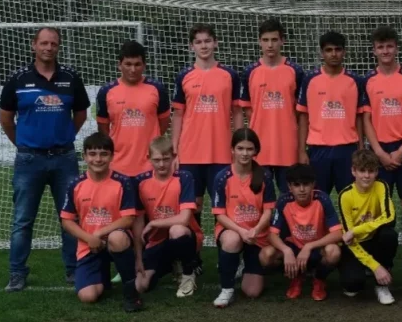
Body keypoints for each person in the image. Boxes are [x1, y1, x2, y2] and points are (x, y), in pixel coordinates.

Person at [0, 27, 90, 292]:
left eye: (53, 44)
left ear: (58, 47)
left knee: (70, 217)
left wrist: (64, 137)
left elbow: (81, 114)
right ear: (34, 45)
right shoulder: (18, 79)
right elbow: (6, 118)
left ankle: (74, 270)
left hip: (64, 159)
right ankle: (17, 273)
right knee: (23, 219)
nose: (48, 48)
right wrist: (24, 144)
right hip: (30, 160)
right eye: (44, 43)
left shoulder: (71, 77)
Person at [172, 24, 242, 273]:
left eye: (207, 41)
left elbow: (237, 112)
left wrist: (238, 146)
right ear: (191, 46)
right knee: (193, 208)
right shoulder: (184, 76)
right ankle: (193, 259)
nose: (203, 46)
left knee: (225, 208)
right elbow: (178, 115)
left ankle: (230, 258)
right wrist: (175, 150)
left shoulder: (229, 75)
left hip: (221, 154)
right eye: (198, 42)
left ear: (215, 43)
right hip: (191, 154)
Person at [361, 25, 402, 272]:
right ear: (374, 50)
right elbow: (366, 120)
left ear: (396, 48)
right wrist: (378, 152)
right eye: (380, 47)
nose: (385, 51)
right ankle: (379, 258)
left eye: (389, 46)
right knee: (379, 206)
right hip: (379, 151)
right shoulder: (368, 80)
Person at [59, 133, 142, 312]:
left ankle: (131, 294)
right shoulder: (75, 184)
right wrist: (89, 238)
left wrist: (99, 233)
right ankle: (102, 275)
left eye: (104, 154)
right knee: (88, 296)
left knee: (117, 238)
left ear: (112, 156)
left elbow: (128, 218)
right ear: (84, 156)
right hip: (89, 245)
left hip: (115, 240)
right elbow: (66, 220)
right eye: (93, 154)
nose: (98, 159)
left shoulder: (123, 182)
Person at [211, 128, 276, 307]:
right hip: (232, 230)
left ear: (256, 151)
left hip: (256, 235)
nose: (245, 153)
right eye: (240, 148)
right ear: (232, 150)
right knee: (232, 240)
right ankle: (227, 289)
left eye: (249, 149)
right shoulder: (222, 177)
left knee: (252, 291)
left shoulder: (265, 176)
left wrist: (255, 230)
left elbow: (268, 211)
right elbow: (219, 214)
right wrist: (241, 231)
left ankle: (246, 263)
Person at [239, 19, 305, 194]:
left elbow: (300, 111)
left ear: (283, 41)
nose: (270, 45)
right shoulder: (249, 72)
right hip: (259, 148)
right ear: (259, 41)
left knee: (289, 197)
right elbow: (247, 109)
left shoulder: (295, 71)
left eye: (274, 40)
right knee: (259, 197)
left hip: (287, 147)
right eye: (266, 40)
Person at [132, 137, 203, 298]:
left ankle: (187, 273)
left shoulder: (184, 177)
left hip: (184, 235)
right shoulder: (141, 182)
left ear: (173, 156)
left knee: (176, 230)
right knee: (140, 286)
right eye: (157, 160)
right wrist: (138, 258)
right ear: (149, 158)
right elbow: (138, 222)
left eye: (166, 159)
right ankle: (170, 265)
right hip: (156, 241)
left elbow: (184, 219)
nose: (162, 164)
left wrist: (154, 223)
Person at [261, 163, 342, 301]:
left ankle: (319, 279)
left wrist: (309, 246)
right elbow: (271, 234)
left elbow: (338, 233)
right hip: (294, 248)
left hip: (316, 249)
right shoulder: (284, 201)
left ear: (313, 184)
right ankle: (295, 276)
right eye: (297, 185)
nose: (302, 189)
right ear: (289, 186)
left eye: (306, 184)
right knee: (265, 255)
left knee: (333, 252)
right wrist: (286, 250)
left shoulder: (322, 199)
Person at [296, 31, 363, 195]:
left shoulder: (355, 80)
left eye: (338, 49)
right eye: (328, 50)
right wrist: (302, 151)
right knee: (317, 199)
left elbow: (359, 117)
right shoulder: (309, 80)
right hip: (318, 150)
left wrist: (361, 148)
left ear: (344, 52)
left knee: (350, 199)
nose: (334, 54)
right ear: (322, 53)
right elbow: (303, 117)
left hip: (347, 150)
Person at [96, 40, 171, 177]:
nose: (133, 69)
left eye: (137, 64)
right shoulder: (106, 91)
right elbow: (103, 128)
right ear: (119, 65)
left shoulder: (157, 89)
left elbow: (164, 123)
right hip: (117, 166)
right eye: (128, 64)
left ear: (144, 65)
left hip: (150, 166)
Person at [337, 149, 398, 305]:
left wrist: (356, 230)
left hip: (374, 239)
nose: (366, 175)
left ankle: (381, 286)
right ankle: (370, 269)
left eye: (371, 171)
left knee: (389, 235)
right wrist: (375, 266)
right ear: (353, 171)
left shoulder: (381, 186)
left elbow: (389, 217)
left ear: (376, 172)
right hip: (355, 244)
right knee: (353, 285)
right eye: (362, 171)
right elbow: (349, 239)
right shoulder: (345, 195)